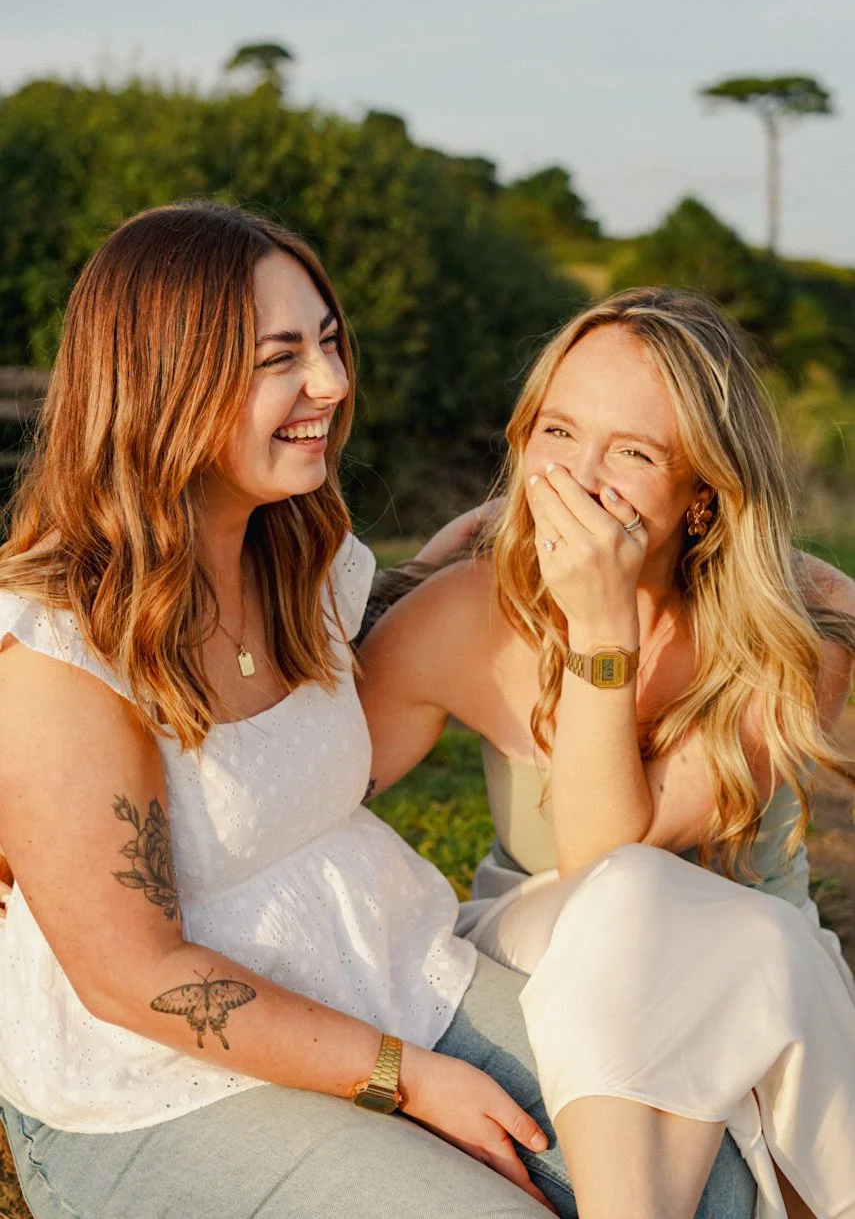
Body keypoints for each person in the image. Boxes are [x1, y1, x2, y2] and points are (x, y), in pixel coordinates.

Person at [0, 206, 752, 1219]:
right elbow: (134, 978)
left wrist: (783, 577)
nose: (333, 383)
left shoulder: (297, 559)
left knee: (708, 1177)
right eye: (281, 357)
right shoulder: (60, 654)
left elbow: (432, 584)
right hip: (152, 1080)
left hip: (378, 967)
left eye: (328, 341)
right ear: (165, 383)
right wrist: (405, 1077)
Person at [357, 288, 855, 1219]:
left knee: (734, 928)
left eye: (631, 453)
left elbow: (609, 847)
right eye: (556, 432)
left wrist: (598, 627)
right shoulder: (470, 610)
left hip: (748, 957)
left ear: (702, 495)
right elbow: (303, 788)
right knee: (641, 901)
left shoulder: (800, 627)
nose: (580, 478)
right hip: (538, 943)